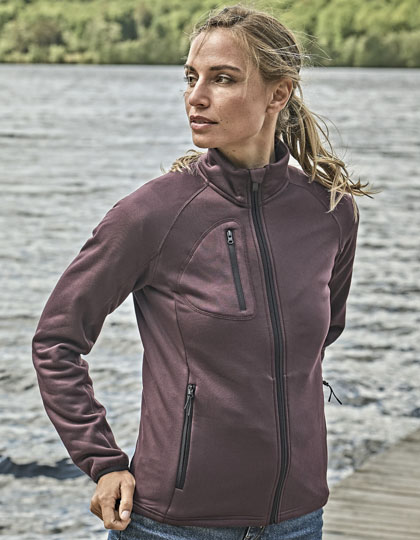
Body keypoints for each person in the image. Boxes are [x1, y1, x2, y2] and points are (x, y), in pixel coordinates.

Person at [32, 3, 375, 540]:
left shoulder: (329, 212)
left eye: (223, 79)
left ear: (278, 93)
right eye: (191, 77)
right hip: (174, 525)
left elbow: (321, 333)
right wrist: (102, 461)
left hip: (298, 519)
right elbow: (56, 342)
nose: (196, 96)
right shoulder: (152, 215)